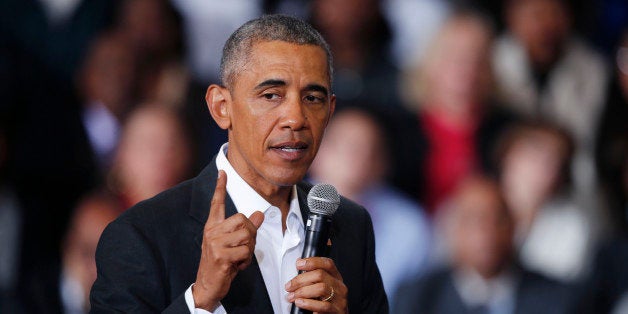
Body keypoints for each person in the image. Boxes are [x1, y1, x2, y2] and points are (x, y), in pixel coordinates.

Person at [90, 15, 388, 313]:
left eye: (312, 98)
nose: (296, 118)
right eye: (271, 95)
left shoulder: (351, 226)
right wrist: (201, 299)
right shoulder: (140, 236)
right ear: (222, 107)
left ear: (330, 111)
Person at [393, 176, 574, 314]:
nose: (485, 232)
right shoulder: (417, 298)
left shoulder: (557, 299)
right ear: (452, 230)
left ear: (515, 227)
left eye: (497, 219)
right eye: (472, 220)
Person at [309, 107, 431, 305]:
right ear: (318, 151)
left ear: (385, 162)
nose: (362, 157)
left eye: (373, 149)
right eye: (351, 147)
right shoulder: (283, 203)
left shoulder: (410, 224)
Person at [400, 10, 517, 212]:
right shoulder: (399, 131)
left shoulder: (510, 132)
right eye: (455, 58)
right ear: (430, 64)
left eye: (477, 59)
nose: (467, 70)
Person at [496, 122, 595, 282]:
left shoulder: (572, 226)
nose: (540, 167)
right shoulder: (468, 206)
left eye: (552, 161)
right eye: (533, 154)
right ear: (507, 156)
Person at [19, 191, 121, 314]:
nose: (96, 268)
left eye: (108, 256)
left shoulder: (128, 301)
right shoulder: (28, 301)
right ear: (68, 246)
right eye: (87, 252)